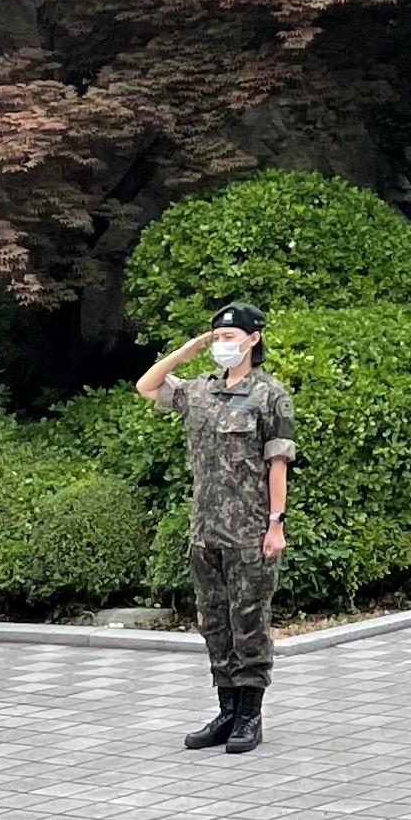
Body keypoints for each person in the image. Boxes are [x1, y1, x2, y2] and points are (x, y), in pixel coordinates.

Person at [135, 302, 294, 754]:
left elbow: (277, 462)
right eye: (217, 337)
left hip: (248, 530)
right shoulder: (199, 391)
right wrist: (185, 351)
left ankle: (250, 715)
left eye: (231, 337)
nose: (223, 344)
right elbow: (147, 386)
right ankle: (226, 710)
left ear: (253, 338)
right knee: (214, 624)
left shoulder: (270, 394)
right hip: (205, 531)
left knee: (249, 623)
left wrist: (275, 524)